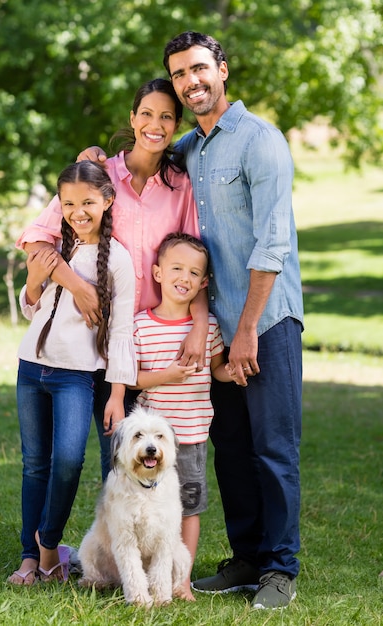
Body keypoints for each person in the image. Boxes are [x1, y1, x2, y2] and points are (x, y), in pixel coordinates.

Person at [78, 30, 304, 610]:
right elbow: (141, 150)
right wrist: (96, 161)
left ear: (222, 69)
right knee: (229, 447)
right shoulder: (191, 150)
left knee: (273, 447)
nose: (191, 81)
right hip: (213, 329)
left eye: (200, 69)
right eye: (180, 74)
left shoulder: (260, 141)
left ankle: (280, 569)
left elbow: (273, 244)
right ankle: (247, 558)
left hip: (265, 320)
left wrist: (248, 327)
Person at [15, 79, 207, 481]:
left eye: (167, 117)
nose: (155, 125)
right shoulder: (100, 173)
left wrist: (199, 329)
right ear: (132, 118)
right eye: (147, 114)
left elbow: (195, 263)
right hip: (92, 339)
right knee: (86, 458)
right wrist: (78, 286)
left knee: (135, 465)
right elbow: (36, 238)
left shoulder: (182, 187)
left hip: (148, 344)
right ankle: (56, 542)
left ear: (176, 125)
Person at [7, 161, 137, 586]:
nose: (77, 211)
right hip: (32, 368)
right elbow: (32, 307)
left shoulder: (118, 259)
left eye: (87, 202)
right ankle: (32, 559)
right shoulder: (51, 246)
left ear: (107, 201)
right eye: (68, 203)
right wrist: (33, 280)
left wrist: (117, 393)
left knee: (67, 460)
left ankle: (49, 547)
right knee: (35, 465)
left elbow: (120, 334)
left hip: (77, 376)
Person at [131, 232, 236, 600]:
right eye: (176, 268)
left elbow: (218, 369)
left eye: (194, 273)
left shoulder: (208, 329)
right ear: (157, 272)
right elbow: (133, 380)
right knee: (147, 507)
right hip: (150, 440)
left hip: (191, 436)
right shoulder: (140, 326)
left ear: (204, 282)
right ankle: (144, 571)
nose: (185, 277)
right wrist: (168, 376)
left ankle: (181, 580)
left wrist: (234, 372)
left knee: (189, 509)